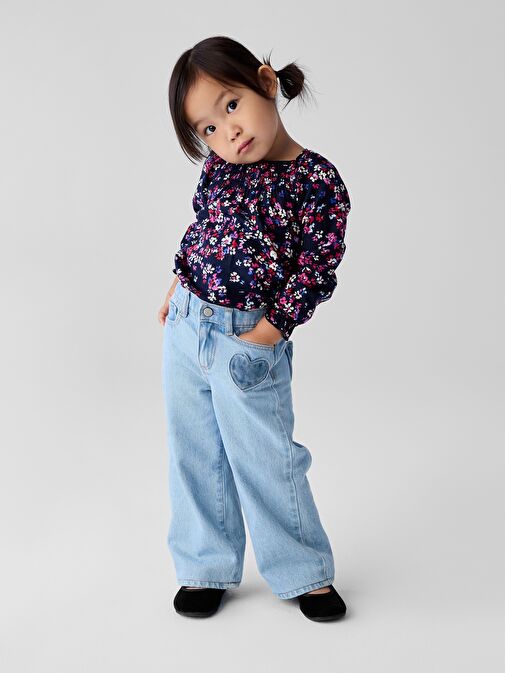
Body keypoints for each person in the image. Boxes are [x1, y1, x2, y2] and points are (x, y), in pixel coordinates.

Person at [159, 36, 351, 622]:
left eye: (232, 105)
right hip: (187, 327)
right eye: (209, 128)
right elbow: (201, 228)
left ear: (266, 83)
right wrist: (177, 281)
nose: (229, 132)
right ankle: (205, 566)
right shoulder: (220, 169)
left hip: (247, 341)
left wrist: (274, 326)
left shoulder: (315, 179)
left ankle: (304, 572)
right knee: (195, 452)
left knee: (267, 458)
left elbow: (318, 264)